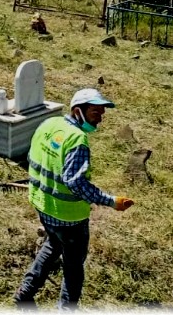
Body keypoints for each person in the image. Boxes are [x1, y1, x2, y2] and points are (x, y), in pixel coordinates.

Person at [14, 87, 134, 309]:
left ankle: (25, 292)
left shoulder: (49, 124)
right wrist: (111, 201)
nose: (100, 118)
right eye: (95, 113)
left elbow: (32, 157)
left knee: (53, 245)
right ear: (78, 111)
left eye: (102, 113)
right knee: (73, 270)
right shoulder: (77, 140)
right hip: (69, 217)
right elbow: (75, 183)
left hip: (43, 206)